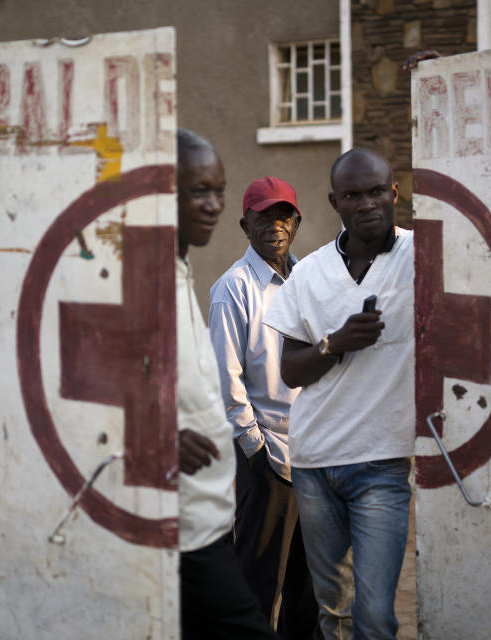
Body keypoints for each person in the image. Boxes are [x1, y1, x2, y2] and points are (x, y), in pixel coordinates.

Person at [262, 148, 416, 639]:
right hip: (313, 465)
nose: (367, 203)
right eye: (353, 195)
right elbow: (289, 371)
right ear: (336, 202)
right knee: (335, 614)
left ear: (393, 193)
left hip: (381, 464)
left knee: (374, 616)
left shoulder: (423, 254)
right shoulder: (310, 273)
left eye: (376, 191)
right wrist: (337, 342)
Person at [174, 128, 278, 640]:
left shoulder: (178, 269)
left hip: (209, 509)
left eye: (219, 189)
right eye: (198, 191)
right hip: (183, 519)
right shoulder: (138, 277)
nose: (212, 204)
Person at [208, 177, 319, 639]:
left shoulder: (309, 279)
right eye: (262, 216)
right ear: (244, 224)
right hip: (267, 456)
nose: (274, 224)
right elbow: (226, 378)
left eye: (283, 215)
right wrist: (255, 450)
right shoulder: (233, 287)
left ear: (295, 222)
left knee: (309, 590)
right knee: (260, 587)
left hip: (315, 455)